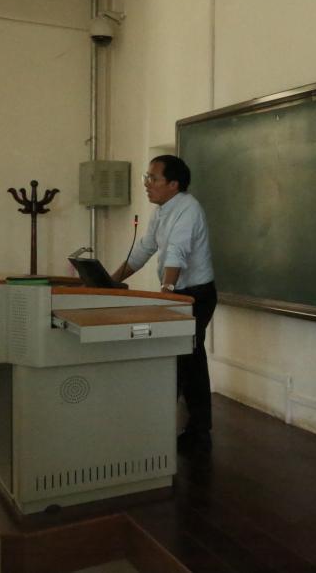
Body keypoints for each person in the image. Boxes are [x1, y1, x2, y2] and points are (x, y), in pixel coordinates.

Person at [111, 155, 216, 452]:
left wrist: (166, 291)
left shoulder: (188, 209)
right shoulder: (161, 211)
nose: (147, 184)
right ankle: (192, 430)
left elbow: (176, 254)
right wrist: (108, 282)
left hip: (196, 294)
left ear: (173, 184)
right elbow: (144, 250)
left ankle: (183, 431)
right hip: (179, 293)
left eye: (153, 179)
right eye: (147, 178)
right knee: (188, 359)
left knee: (185, 359)